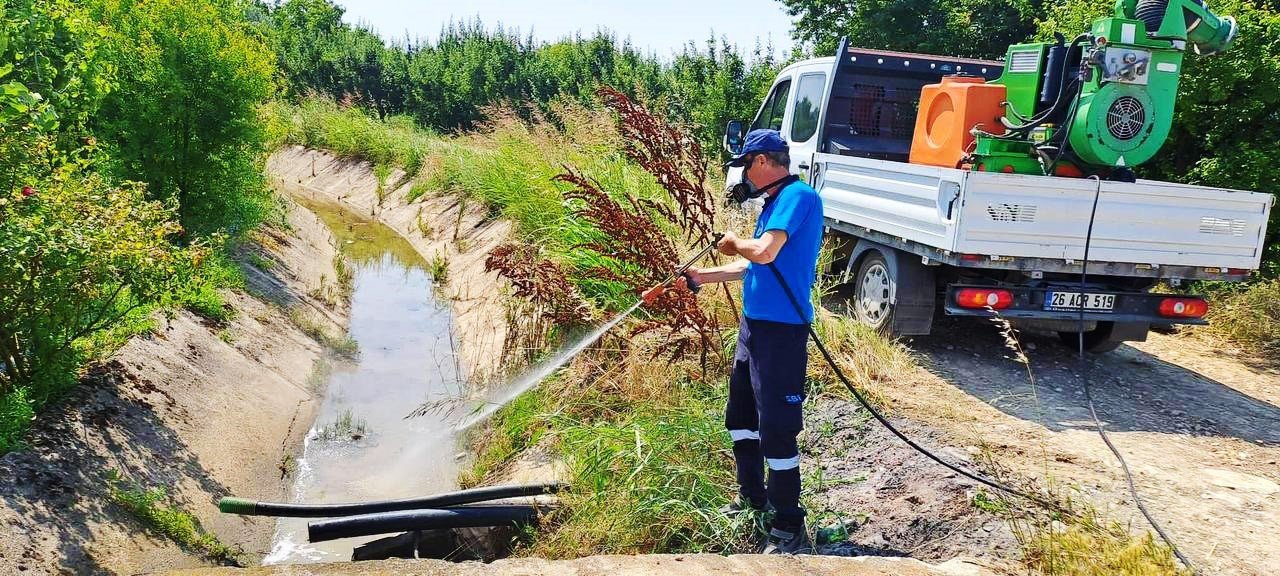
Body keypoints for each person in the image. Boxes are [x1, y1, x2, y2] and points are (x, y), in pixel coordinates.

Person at [683, 129, 824, 554]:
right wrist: (703, 276)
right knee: (740, 417)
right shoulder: (773, 204)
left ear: (763, 161)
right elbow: (758, 268)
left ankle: (787, 522)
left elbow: (762, 253)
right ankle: (752, 498)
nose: (743, 173)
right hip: (753, 329)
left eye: (746, 164)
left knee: (778, 430)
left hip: (782, 334)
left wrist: (733, 242)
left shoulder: (799, 197)